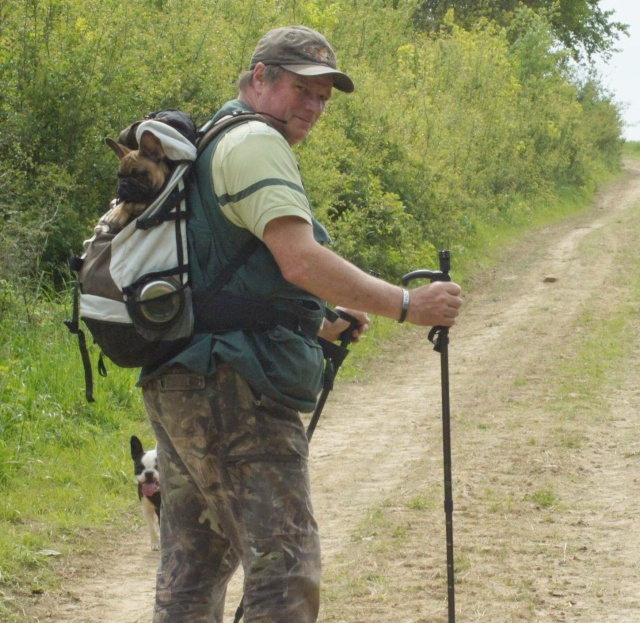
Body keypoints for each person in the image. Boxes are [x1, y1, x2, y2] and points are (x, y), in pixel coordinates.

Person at [140, 25, 463, 623]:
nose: (314, 107)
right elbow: (299, 259)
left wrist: (314, 322)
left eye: (323, 97)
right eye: (302, 89)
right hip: (237, 388)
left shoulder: (214, 139)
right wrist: (407, 305)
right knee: (284, 570)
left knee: (192, 570)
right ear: (260, 78)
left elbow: (224, 277)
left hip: (180, 379)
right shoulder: (257, 142)